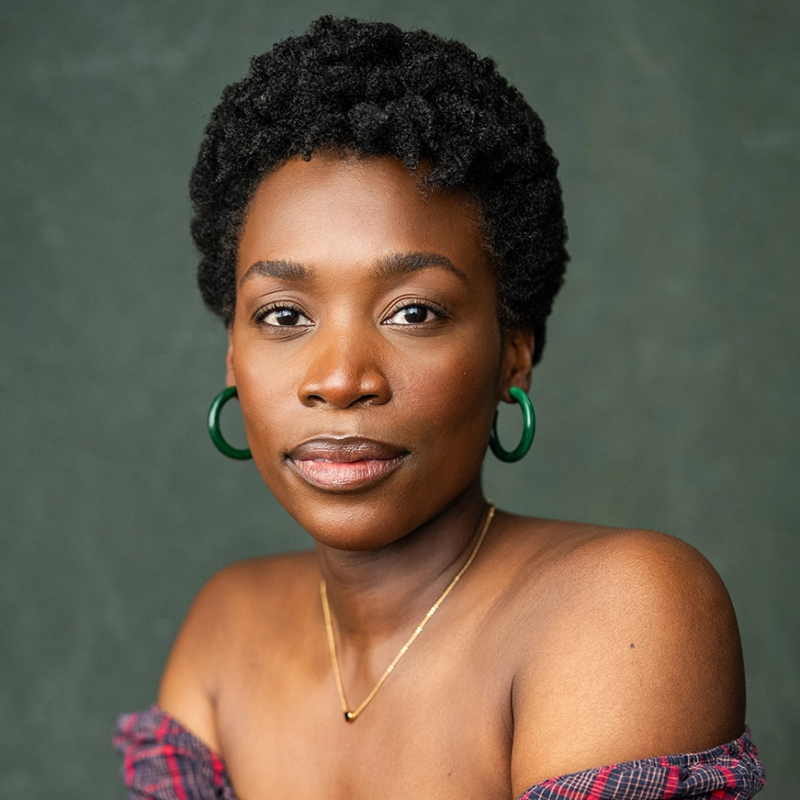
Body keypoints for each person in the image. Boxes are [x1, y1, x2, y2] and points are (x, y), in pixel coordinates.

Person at [114, 16, 765, 800]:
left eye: (413, 312)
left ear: (513, 351)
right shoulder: (225, 629)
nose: (340, 379)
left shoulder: (625, 607)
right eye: (283, 315)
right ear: (232, 355)